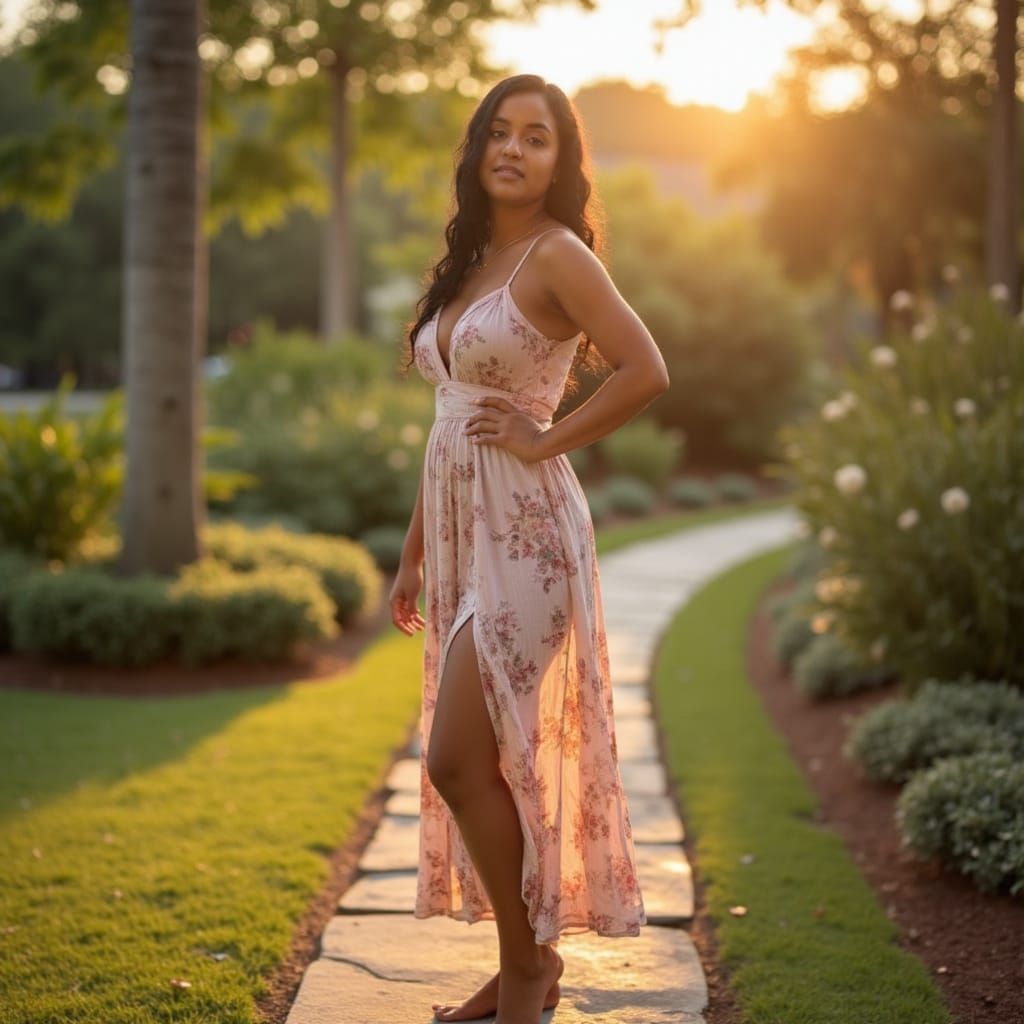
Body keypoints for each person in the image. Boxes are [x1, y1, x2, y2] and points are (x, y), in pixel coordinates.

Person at [390, 73, 670, 1024]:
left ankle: (526, 972)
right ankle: (526, 964)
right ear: (476, 150)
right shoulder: (470, 258)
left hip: (531, 535)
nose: (513, 149)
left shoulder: (557, 257)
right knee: (484, 761)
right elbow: (449, 421)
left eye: (536, 137)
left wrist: (545, 439)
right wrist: (414, 553)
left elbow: (646, 369)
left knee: (457, 758)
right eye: (498, 133)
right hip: (461, 534)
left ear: (561, 160)